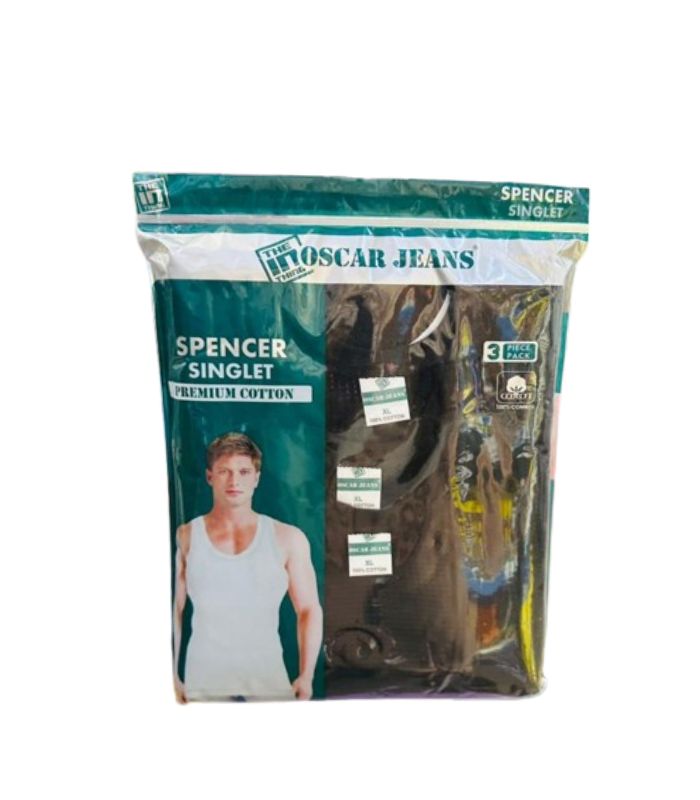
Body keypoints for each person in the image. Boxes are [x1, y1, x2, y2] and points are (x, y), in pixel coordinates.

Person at [172, 432, 323, 702]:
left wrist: (306, 675)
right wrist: (171, 675)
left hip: (269, 680)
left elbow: (309, 609)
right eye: (224, 472)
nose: (234, 481)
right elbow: (174, 610)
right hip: (204, 681)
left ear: (256, 478)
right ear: (209, 477)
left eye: (243, 472)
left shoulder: (288, 538)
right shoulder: (186, 536)